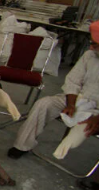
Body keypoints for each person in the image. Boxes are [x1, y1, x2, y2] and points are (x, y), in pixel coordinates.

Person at [8, 21, 99, 160]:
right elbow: (73, 81)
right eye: (91, 43)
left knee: (83, 130)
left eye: (96, 44)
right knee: (43, 104)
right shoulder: (89, 55)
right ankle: (22, 145)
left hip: (97, 109)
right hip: (79, 97)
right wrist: (71, 104)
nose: (92, 47)